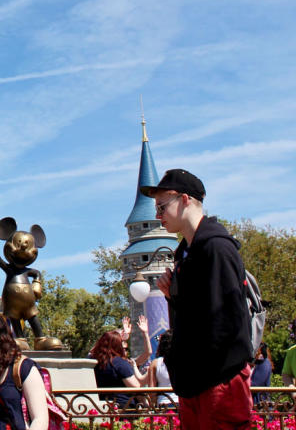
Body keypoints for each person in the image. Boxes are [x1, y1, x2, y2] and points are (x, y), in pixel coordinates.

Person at [142, 169, 252, 429]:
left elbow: (226, 320)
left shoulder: (216, 247)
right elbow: (198, 314)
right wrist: (174, 297)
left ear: (185, 200)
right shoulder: (186, 254)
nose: (158, 215)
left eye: (162, 207)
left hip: (219, 380)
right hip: (195, 381)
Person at [91, 331, 141, 409]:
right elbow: (135, 387)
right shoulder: (120, 363)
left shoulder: (94, 362)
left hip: (102, 406)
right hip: (124, 407)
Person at [141, 331, 177, 407]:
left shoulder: (155, 363)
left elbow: (151, 390)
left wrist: (154, 404)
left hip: (163, 403)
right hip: (183, 402)